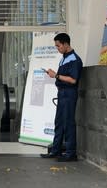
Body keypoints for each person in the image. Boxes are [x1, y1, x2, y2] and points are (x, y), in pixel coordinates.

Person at [40, 33, 83, 162]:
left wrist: (56, 76)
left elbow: (73, 80)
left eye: (58, 46)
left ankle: (70, 153)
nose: (57, 48)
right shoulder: (64, 58)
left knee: (68, 123)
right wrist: (54, 76)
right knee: (59, 122)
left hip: (69, 93)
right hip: (62, 93)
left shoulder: (74, 59)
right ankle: (56, 150)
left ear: (65, 44)